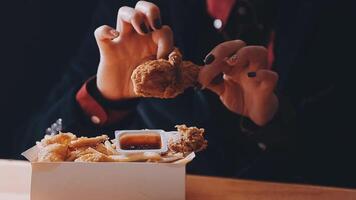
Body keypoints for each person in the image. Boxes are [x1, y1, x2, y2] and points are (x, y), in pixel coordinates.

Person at [14, 0, 356, 187]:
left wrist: (273, 123)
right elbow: (29, 157)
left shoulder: (330, 16)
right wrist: (105, 98)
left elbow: (337, 163)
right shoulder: (134, 16)